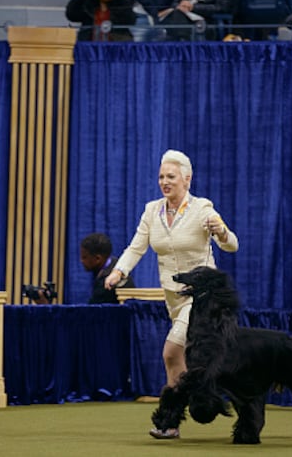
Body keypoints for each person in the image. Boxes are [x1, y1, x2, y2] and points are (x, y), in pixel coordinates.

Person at [103, 149, 238, 439]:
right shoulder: (152, 210)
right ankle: (176, 419)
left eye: (171, 177)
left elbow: (232, 245)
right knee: (180, 360)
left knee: (171, 351)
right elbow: (136, 246)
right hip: (173, 299)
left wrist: (222, 232)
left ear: (187, 179)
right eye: (161, 177)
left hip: (202, 299)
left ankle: (173, 415)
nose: (165, 182)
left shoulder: (203, 208)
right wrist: (119, 272)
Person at [80, 232, 135, 304]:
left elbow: (92, 309)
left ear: (97, 259)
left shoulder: (107, 284)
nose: (81, 261)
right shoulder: (117, 264)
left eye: (84, 257)